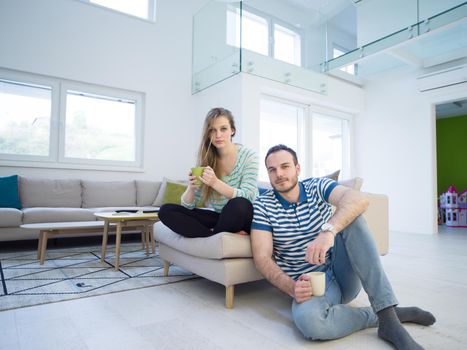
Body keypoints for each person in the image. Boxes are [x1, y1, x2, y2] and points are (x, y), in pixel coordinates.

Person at [251, 144, 435, 350]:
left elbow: (358, 199)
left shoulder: (316, 186)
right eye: (272, 170)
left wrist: (328, 231)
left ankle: (390, 321)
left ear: (297, 168)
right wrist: (292, 288)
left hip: (341, 273)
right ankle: (384, 316)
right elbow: (262, 258)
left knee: (352, 217)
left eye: (285, 166)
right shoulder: (262, 205)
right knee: (311, 324)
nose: (279, 174)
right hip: (309, 286)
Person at [158, 107, 259, 238]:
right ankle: (212, 236)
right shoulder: (207, 162)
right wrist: (191, 188)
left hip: (247, 217)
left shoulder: (249, 156)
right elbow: (188, 207)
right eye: (212, 130)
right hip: (223, 218)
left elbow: (248, 197)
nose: (218, 135)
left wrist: (215, 183)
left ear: (232, 130)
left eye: (223, 129)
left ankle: (212, 235)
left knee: (239, 203)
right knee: (166, 210)